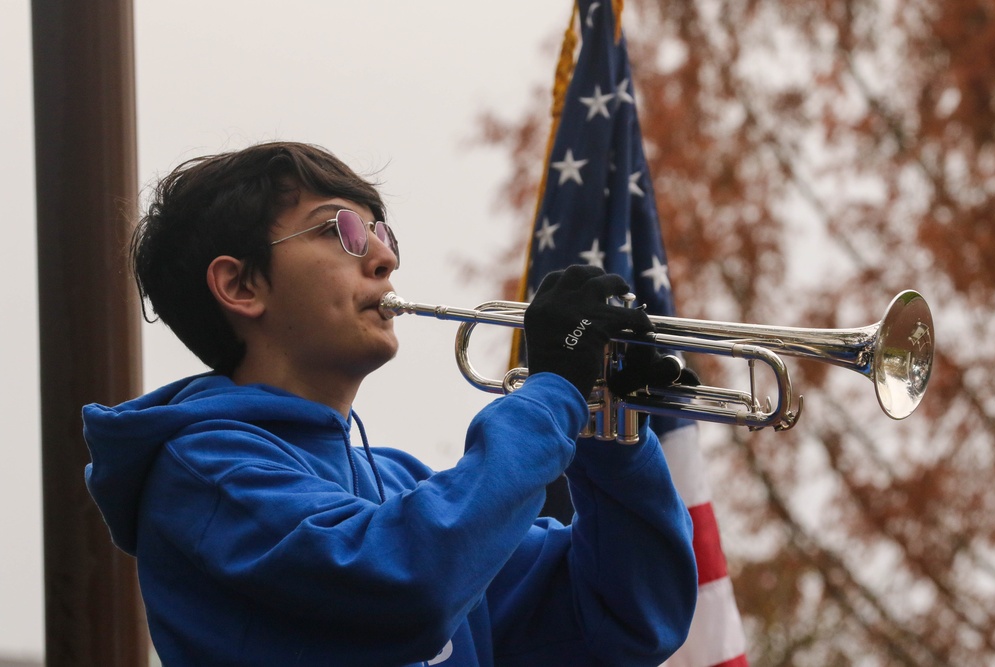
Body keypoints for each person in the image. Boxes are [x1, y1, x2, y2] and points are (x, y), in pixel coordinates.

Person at [82, 141, 698, 667]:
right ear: (241, 285)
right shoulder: (205, 474)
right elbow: (409, 582)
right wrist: (551, 394)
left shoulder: (394, 482)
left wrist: (610, 432)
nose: (385, 257)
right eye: (340, 231)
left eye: (380, 231)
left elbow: (629, 620)